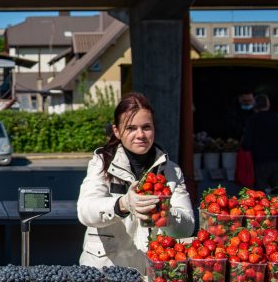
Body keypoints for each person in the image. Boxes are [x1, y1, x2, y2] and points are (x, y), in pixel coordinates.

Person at [77, 92, 195, 272]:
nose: (140, 135)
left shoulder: (171, 171)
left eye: (146, 127)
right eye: (131, 128)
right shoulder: (102, 164)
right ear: (116, 131)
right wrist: (122, 204)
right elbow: (86, 211)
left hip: (153, 276)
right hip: (106, 274)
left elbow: (187, 228)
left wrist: (167, 215)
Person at [242, 93, 278, 192]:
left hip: (261, 162)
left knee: (260, 194)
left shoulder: (252, 120)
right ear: (268, 104)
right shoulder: (277, 118)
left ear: (255, 106)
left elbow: (246, 144)